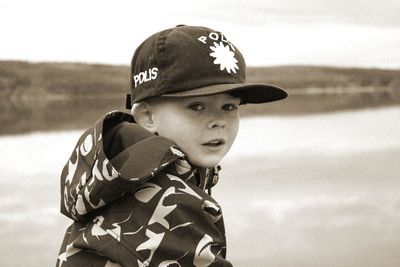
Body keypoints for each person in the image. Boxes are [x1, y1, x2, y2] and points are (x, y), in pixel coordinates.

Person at [56, 25, 287, 267]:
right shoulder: (168, 200)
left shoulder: (124, 176)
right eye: (196, 106)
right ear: (147, 116)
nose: (218, 121)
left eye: (229, 107)